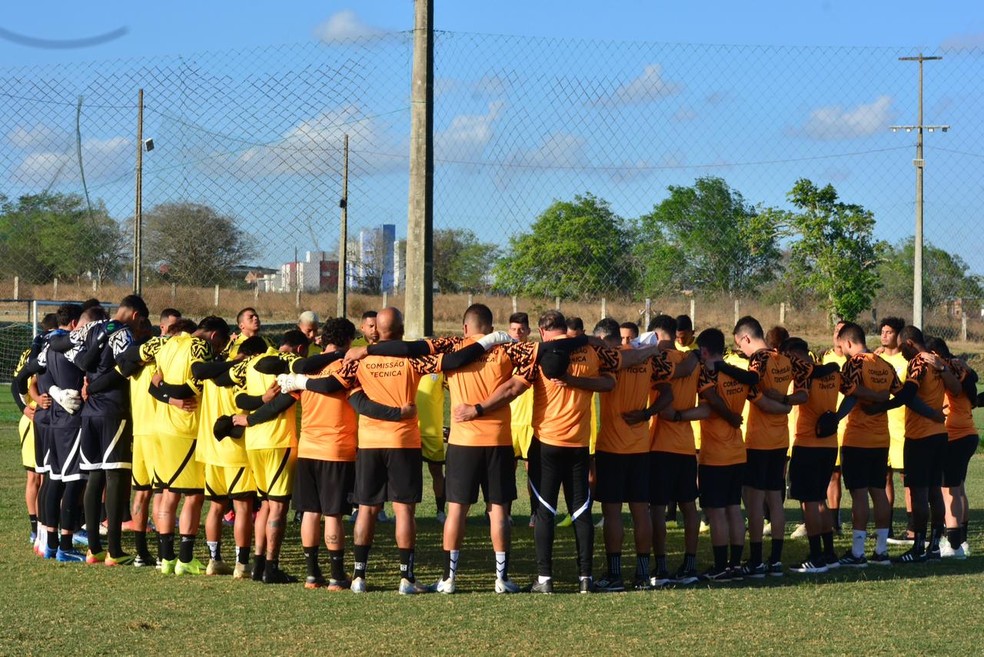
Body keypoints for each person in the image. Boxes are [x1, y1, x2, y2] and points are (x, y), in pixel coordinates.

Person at [279, 307, 512, 594]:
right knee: (404, 511)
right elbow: (455, 359)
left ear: (375, 330)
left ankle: (358, 577)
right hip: (403, 442)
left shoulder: (359, 360)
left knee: (366, 509)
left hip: (369, 442)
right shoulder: (413, 359)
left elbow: (336, 388)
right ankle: (406, 578)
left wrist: (300, 382)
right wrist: (489, 340)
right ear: (402, 330)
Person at [52, 296, 149, 566]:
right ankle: (115, 551)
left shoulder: (91, 327)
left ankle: (94, 549)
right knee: (116, 477)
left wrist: (87, 382)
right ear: (135, 315)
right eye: (141, 321)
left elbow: (60, 344)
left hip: (89, 413)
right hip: (113, 410)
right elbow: (125, 367)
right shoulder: (123, 333)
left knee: (94, 476)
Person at [589, 318, 674, 591]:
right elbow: (668, 394)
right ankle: (642, 574)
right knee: (641, 512)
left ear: (604, 339)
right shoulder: (648, 358)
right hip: (640, 447)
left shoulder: (610, 359)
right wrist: (647, 413)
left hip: (612, 447)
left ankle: (615, 575)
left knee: (612, 513)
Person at [865, 326, 956, 563]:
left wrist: (880, 407)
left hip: (920, 436)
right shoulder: (937, 361)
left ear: (909, 343)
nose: (901, 352)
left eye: (902, 347)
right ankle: (934, 547)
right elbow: (956, 388)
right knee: (935, 491)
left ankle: (918, 548)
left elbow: (907, 395)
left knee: (919, 492)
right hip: (939, 435)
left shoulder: (917, 362)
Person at [732, 316, 805, 577]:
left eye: (739, 344)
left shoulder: (758, 360)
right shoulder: (784, 359)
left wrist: (781, 406)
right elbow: (800, 394)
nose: (740, 350)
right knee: (775, 499)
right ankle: (775, 560)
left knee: (754, 500)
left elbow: (757, 396)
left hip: (759, 439)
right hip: (780, 440)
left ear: (746, 338)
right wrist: (786, 404)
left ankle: (756, 561)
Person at [691, 328, 763, 581]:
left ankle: (721, 566)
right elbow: (759, 396)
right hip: (737, 452)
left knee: (716, 511)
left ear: (704, 351)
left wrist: (730, 417)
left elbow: (711, 400)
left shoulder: (707, 373)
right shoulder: (737, 373)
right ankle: (734, 565)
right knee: (734, 508)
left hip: (715, 454)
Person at [17, 304, 87, 562]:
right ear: (75, 324)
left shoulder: (43, 346)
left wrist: (46, 394)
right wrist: (55, 394)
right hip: (63, 421)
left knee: (51, 479)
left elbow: (23, 380)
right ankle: (62, 544)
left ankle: (46, 540)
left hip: (48, 421)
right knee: (70, 481)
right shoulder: (71, 347)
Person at [645, 315, 703, 586]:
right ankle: (690, 564)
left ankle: (661, 567)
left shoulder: (657, 360)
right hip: (686, 445)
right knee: (689, 506)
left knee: (657, 509)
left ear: (657, 336)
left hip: (660, 445)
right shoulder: (690, 360)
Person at [780, 337, 841, 573]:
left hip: (808, 443)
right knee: (820, 499)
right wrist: (837, 416)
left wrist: (783, 399)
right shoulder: (831, 372)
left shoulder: (803, 371)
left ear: (792, 354)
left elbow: (803, 396)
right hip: (829, 444)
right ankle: (829, 553)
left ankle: (816, 557)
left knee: (809, 502)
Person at [925, 337, 977, 559]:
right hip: (968, 434)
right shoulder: (960, 366)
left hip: (955, 436)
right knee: (958, 488)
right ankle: (961, 541)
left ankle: (954, 546)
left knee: (949, 491)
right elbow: (973, 380)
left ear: (935, 353)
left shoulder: (945, 369)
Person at [878, 317, 910, 542]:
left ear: (898, 336)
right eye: (882, 331)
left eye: (889, 332)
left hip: (903, 428)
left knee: (907, 479)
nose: (884, 335)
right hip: (880, 427)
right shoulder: (876, 359)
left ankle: (912, 528)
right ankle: (885, 527)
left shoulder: (906, 361)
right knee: (883, 478)